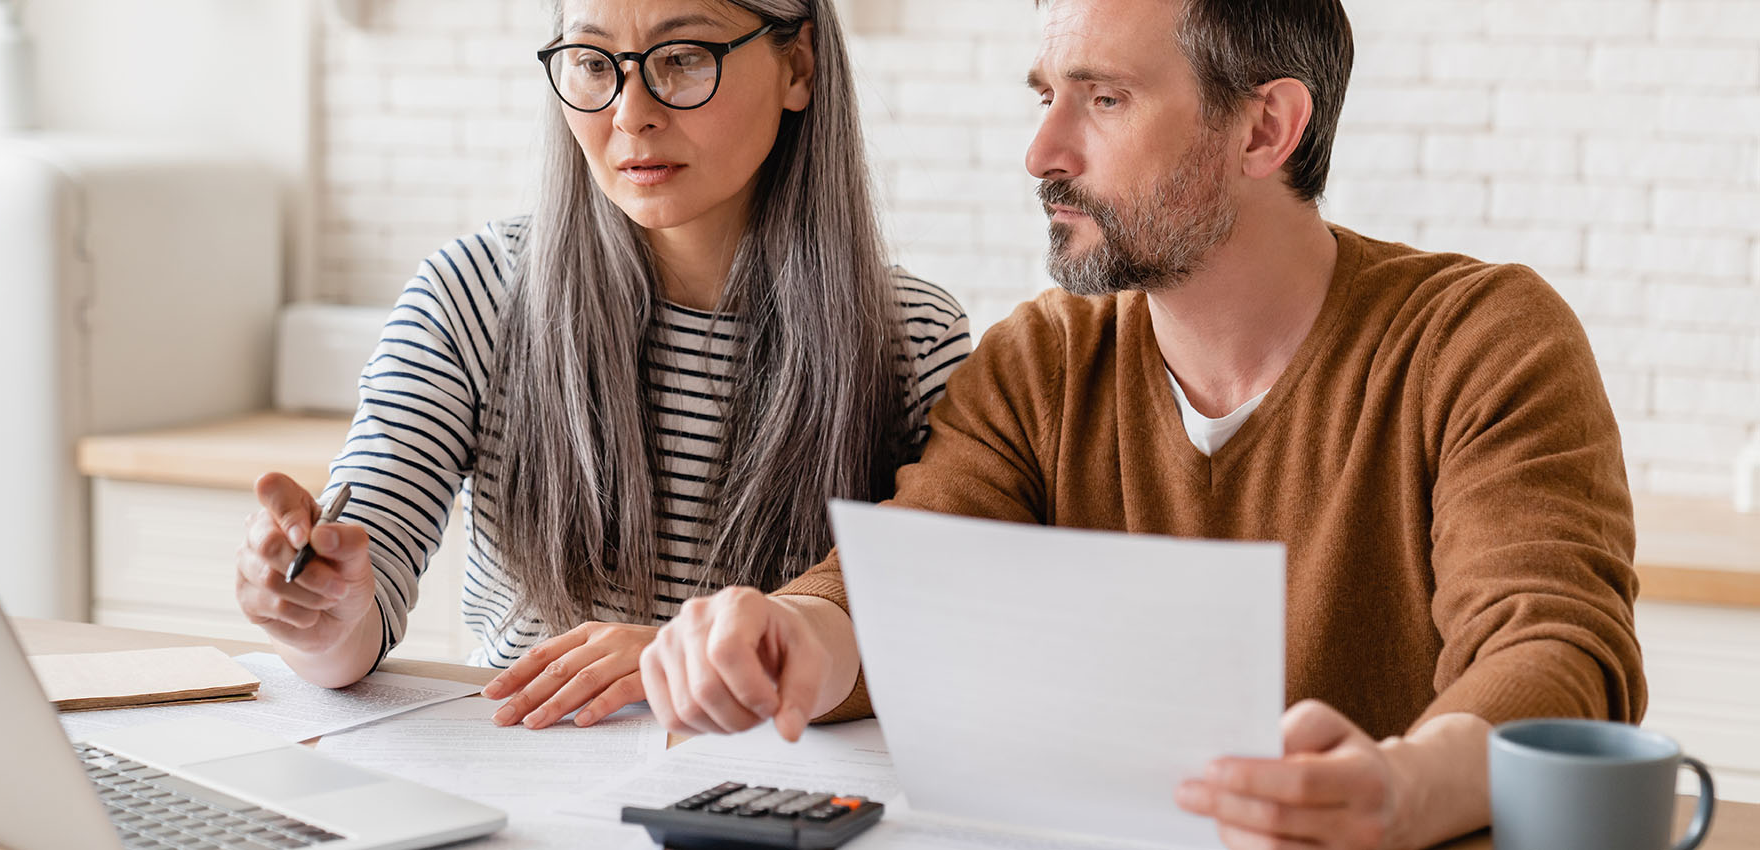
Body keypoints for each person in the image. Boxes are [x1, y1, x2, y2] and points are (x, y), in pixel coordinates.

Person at [639, 0, 1645, 847]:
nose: (1042, 152)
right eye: (1045, 96)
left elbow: (1558, 653)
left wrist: (1401, 788)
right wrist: (787, 638)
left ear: (1263, 130)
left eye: (1103, 100)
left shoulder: (1479, 340)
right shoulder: (1040, 358)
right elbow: (904, 581)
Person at [231, 0, 970, 731]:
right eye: (591, 64)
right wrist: (318, 615)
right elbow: (357, 615)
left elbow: (931, 638)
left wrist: (676, 666)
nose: (630, 112)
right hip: (531, 780)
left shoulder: (914, 337)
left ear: (798, 66)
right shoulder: (472, 293)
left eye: (682, 59)